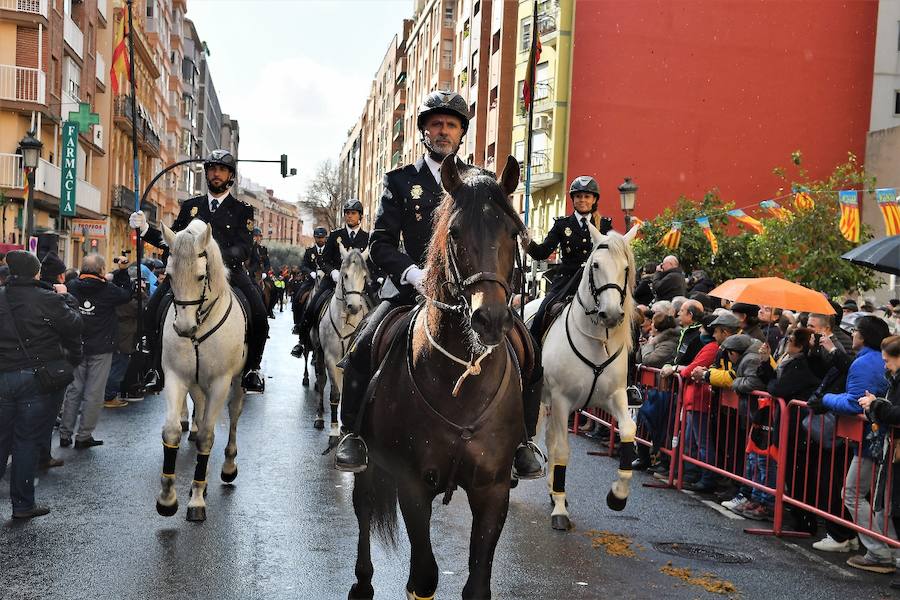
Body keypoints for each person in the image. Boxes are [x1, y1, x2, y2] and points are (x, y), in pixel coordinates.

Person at [334, 90, 543, 479]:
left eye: (451, 124)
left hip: (469, 292)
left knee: (529, 351)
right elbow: (380, 242)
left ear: (462, 132)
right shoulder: (399, 181)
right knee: (363, 346)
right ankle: (353, 435)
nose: (443, 130)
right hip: (409, 290)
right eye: (436, 124)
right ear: (424, 132)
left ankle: (523, 442)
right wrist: (414, 275)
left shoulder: (479, 181)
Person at [129, 149, 268, 393]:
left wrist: (213, 259)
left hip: (228, 272)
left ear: (230, 176)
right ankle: (154, 367)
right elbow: (171, 238)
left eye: (222, 170)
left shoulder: (242, 209)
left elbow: (244, 247)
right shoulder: (191, 206)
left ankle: (252, 369)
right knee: (152, 309)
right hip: (188, 272)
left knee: (258, 314)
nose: (216, 174)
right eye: (212, 169)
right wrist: (145, 230)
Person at [0, 251, 82, 518]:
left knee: (1, 439)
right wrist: (66, 296)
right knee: (25, 441)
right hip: (36, 379)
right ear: (35, 273)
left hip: (3, 377)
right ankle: (23, 504)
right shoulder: (47, 299)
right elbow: (75, 326)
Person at [808, 315, 893, 573]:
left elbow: (854, 402)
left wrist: (826, 398)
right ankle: (887, 549)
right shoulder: (872, 360)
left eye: (855, 331)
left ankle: (880, 551)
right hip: (877, 438)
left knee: (853, 493)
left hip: (871, 439)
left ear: (863, 336)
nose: (851, 334)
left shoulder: (865, 363)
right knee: (879, 499)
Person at [521, 175, 613, 341]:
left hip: (597, 281)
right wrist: (525, 241)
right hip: (567, 281)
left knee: (625, 314)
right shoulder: (562, 225)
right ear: (573, 199)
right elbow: (541, 253)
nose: (582, 200)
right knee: (543, 312)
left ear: (594, 199)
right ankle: (534, 354)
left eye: (587, 196)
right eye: (578, 196)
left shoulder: (605, 225)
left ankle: (630, 361)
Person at [59, 254, 133, 449]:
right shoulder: (108, 290)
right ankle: (83, 436)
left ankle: (65, 434)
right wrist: (122, 272)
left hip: (76, 345)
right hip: (101, 347)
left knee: (73, 389)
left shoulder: (72, 286)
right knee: (94, 393)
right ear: (101, 271)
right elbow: (127, 294)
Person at [297, 199, 370, 347]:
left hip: (357, 284)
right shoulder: (336, 235)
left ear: (360, 216)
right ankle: (303, 342)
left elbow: (371, 263)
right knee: (313, 306)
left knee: (376, 306)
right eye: (347, 213)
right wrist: (333, 272)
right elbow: (323, 261)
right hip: (333, 282)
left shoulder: (367, 237)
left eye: (353, 213)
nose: (349, 216)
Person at [859, 335, 900, 590]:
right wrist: (874, 406)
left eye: (888, 361)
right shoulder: (894, 379)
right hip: (894, 451)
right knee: (894, 509)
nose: (885, 366)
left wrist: (876, 405)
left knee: (895, 509)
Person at [36, 252, 74, 469]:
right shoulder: (55, 298)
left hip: (20, 363)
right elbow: (73, 326)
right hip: (51, 365)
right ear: (61, 277)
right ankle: (41, 455)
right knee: (47, 414)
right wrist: (66, 297)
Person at [291, 226, 328, 357]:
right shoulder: (309, 251)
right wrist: (310, 272)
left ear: (325, 238)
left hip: (326, 280)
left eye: (322, 237)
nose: (320, 240)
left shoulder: (329, 250)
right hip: (311, 280)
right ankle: (297, 325)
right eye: (318, 237)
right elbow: (303, 265)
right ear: (315, 238)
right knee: (297, 297)